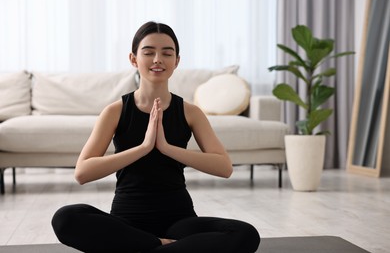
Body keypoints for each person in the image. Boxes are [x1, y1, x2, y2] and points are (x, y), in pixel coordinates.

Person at [51, 21, 260, 253]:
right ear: (133, 59)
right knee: (66, 218)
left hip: (179, 222)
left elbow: (224, 167)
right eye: (148, 52)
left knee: (246, 234)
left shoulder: (190, 112)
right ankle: (159, 247)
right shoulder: (115, 111)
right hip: (127, 223)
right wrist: (144, 147)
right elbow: (82, 172)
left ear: (176, 61)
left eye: (167, 53)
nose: (158, 59)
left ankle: (138, 249)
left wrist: (166, 147)